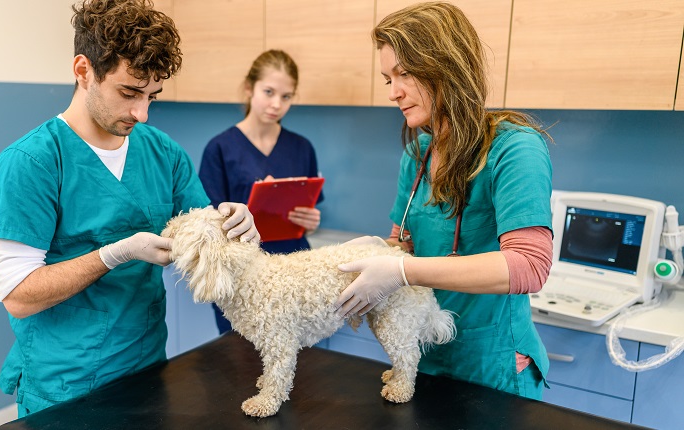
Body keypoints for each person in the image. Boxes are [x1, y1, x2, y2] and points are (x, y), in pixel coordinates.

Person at [0, 0, 258, 416]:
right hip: (68, 381)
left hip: (148, 368)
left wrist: (234, 227)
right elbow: (19, 295)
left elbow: (204, 240)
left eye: (152, 96)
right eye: (129, 92)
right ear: (83, 72)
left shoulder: (163, 152)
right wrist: (115, 253)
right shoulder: (33, 162)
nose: (142, 113)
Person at [333, 2, 554, 400]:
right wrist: (375, 251)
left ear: (447, 65)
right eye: (387, 79)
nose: (393, 92)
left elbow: (529, 265)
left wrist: (401, 271)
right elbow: (405, 244)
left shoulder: (514, 149)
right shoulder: (418, 153)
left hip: (492, 362)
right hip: (423, 353)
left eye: (405, 74)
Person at [199, 49, 323, 334]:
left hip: (293, 271)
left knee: (292, 360)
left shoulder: (302, 148)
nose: (276, 104)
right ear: (248, 88)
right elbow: (209, 220)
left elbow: (308, 211)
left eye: (286, 96)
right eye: (268, 92)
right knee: (239, 358)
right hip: (240, 276)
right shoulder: (220, 148)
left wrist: (311, 222)